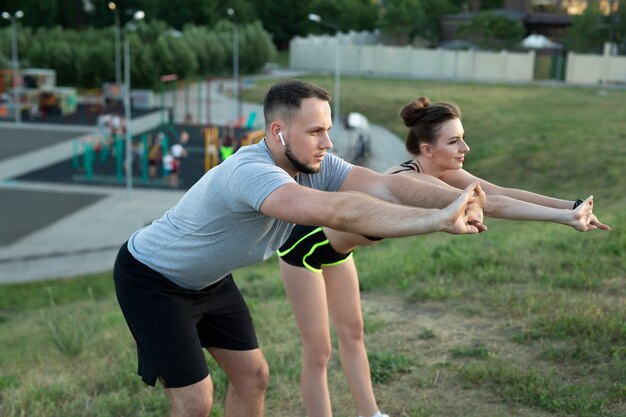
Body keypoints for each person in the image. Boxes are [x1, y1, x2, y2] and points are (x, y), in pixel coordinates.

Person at [113, 80, 488, 417]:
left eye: (327, 130)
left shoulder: (312, 164)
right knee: (196, 401)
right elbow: (341, 210)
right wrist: (437, 220)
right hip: (153, 278)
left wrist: (454, 200)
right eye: (315, 132)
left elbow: (386, 185)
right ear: (278, 132)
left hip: (209, 281)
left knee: (254, 376)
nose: (327, 142)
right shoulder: (252, 173)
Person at [277, 95, 611, 417]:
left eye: (462, 139)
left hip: (338, 250)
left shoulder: (445, 174)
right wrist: (561, 219)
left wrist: (571, 206)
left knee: (353, 335)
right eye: (454, 142)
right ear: (427, 149)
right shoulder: (405, 179)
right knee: (320, 352)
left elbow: (498, 192)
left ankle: (372, 414)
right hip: (303, 246)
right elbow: (488, 205)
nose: (465, 148)